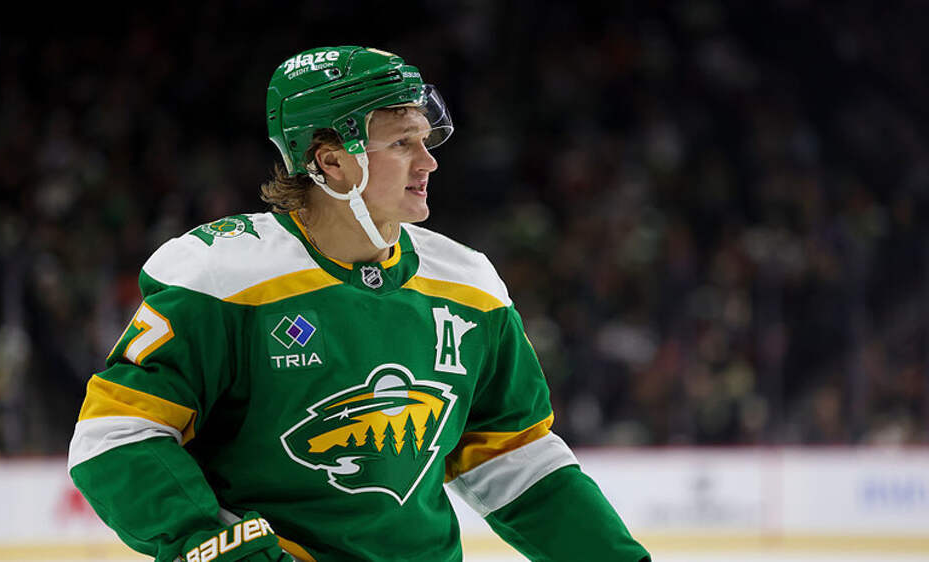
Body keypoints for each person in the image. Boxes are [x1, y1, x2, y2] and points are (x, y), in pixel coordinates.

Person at [68, 45, 650, 562]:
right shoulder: (222, 278)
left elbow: (517, 461)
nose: (428, 161)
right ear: (330, 161)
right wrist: (212, 545)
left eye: (424, 139)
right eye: (401, 143)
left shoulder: (470, 285)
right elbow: (115, 438)